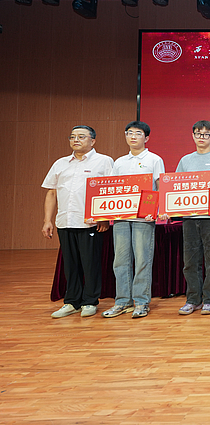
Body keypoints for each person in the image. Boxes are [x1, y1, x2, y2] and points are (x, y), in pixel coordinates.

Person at [43, 125, 114, 319]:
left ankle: (90, 301)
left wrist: (104, 218)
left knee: (90, 264)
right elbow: (51, 192)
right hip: (64, 221)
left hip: (90, 222)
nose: (76, 140)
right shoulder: (60, 163)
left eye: (81, 136)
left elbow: (111, 190)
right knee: (70, 264)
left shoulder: (104, 161)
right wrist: (47, 220)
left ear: (93, 140)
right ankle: (72, 302)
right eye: (72, 136)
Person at [103, 121, 165, 319]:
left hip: (144, 217)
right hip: (121, 217)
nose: (133, 136)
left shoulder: (154, 159)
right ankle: (122, 301)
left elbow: (160, 187)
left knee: (142, 259)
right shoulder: (119, 162)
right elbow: (112, 188)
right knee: (120, 261)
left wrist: (158, 210)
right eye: (129, 133)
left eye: (138, 133)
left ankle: (141, 301)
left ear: (146, 138)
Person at [174, 120, 210, 316]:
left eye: (206, 134)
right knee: (190, 262)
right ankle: (193, 300)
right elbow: (176, 188)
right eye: (198, 134)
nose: (202, 137)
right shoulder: (185, 160)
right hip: (190, 218)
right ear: (193, 136)